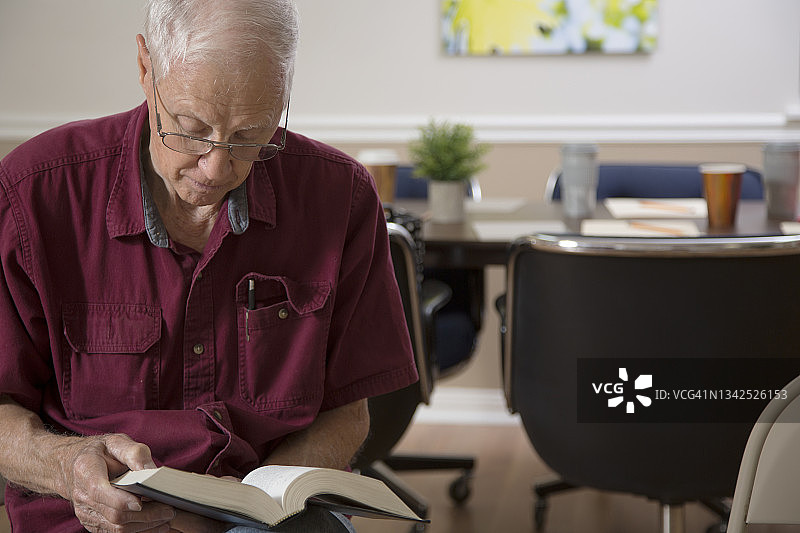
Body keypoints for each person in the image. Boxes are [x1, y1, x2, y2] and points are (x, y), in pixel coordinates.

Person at [0, 1, 417, 531]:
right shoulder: (32, 195)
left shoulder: (341, 198)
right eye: (192, 129)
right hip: (90, 515)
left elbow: (346, 412)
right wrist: (67, 467)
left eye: (251, 134)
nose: (219, 168)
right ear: (147, 69)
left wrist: (257, 500)